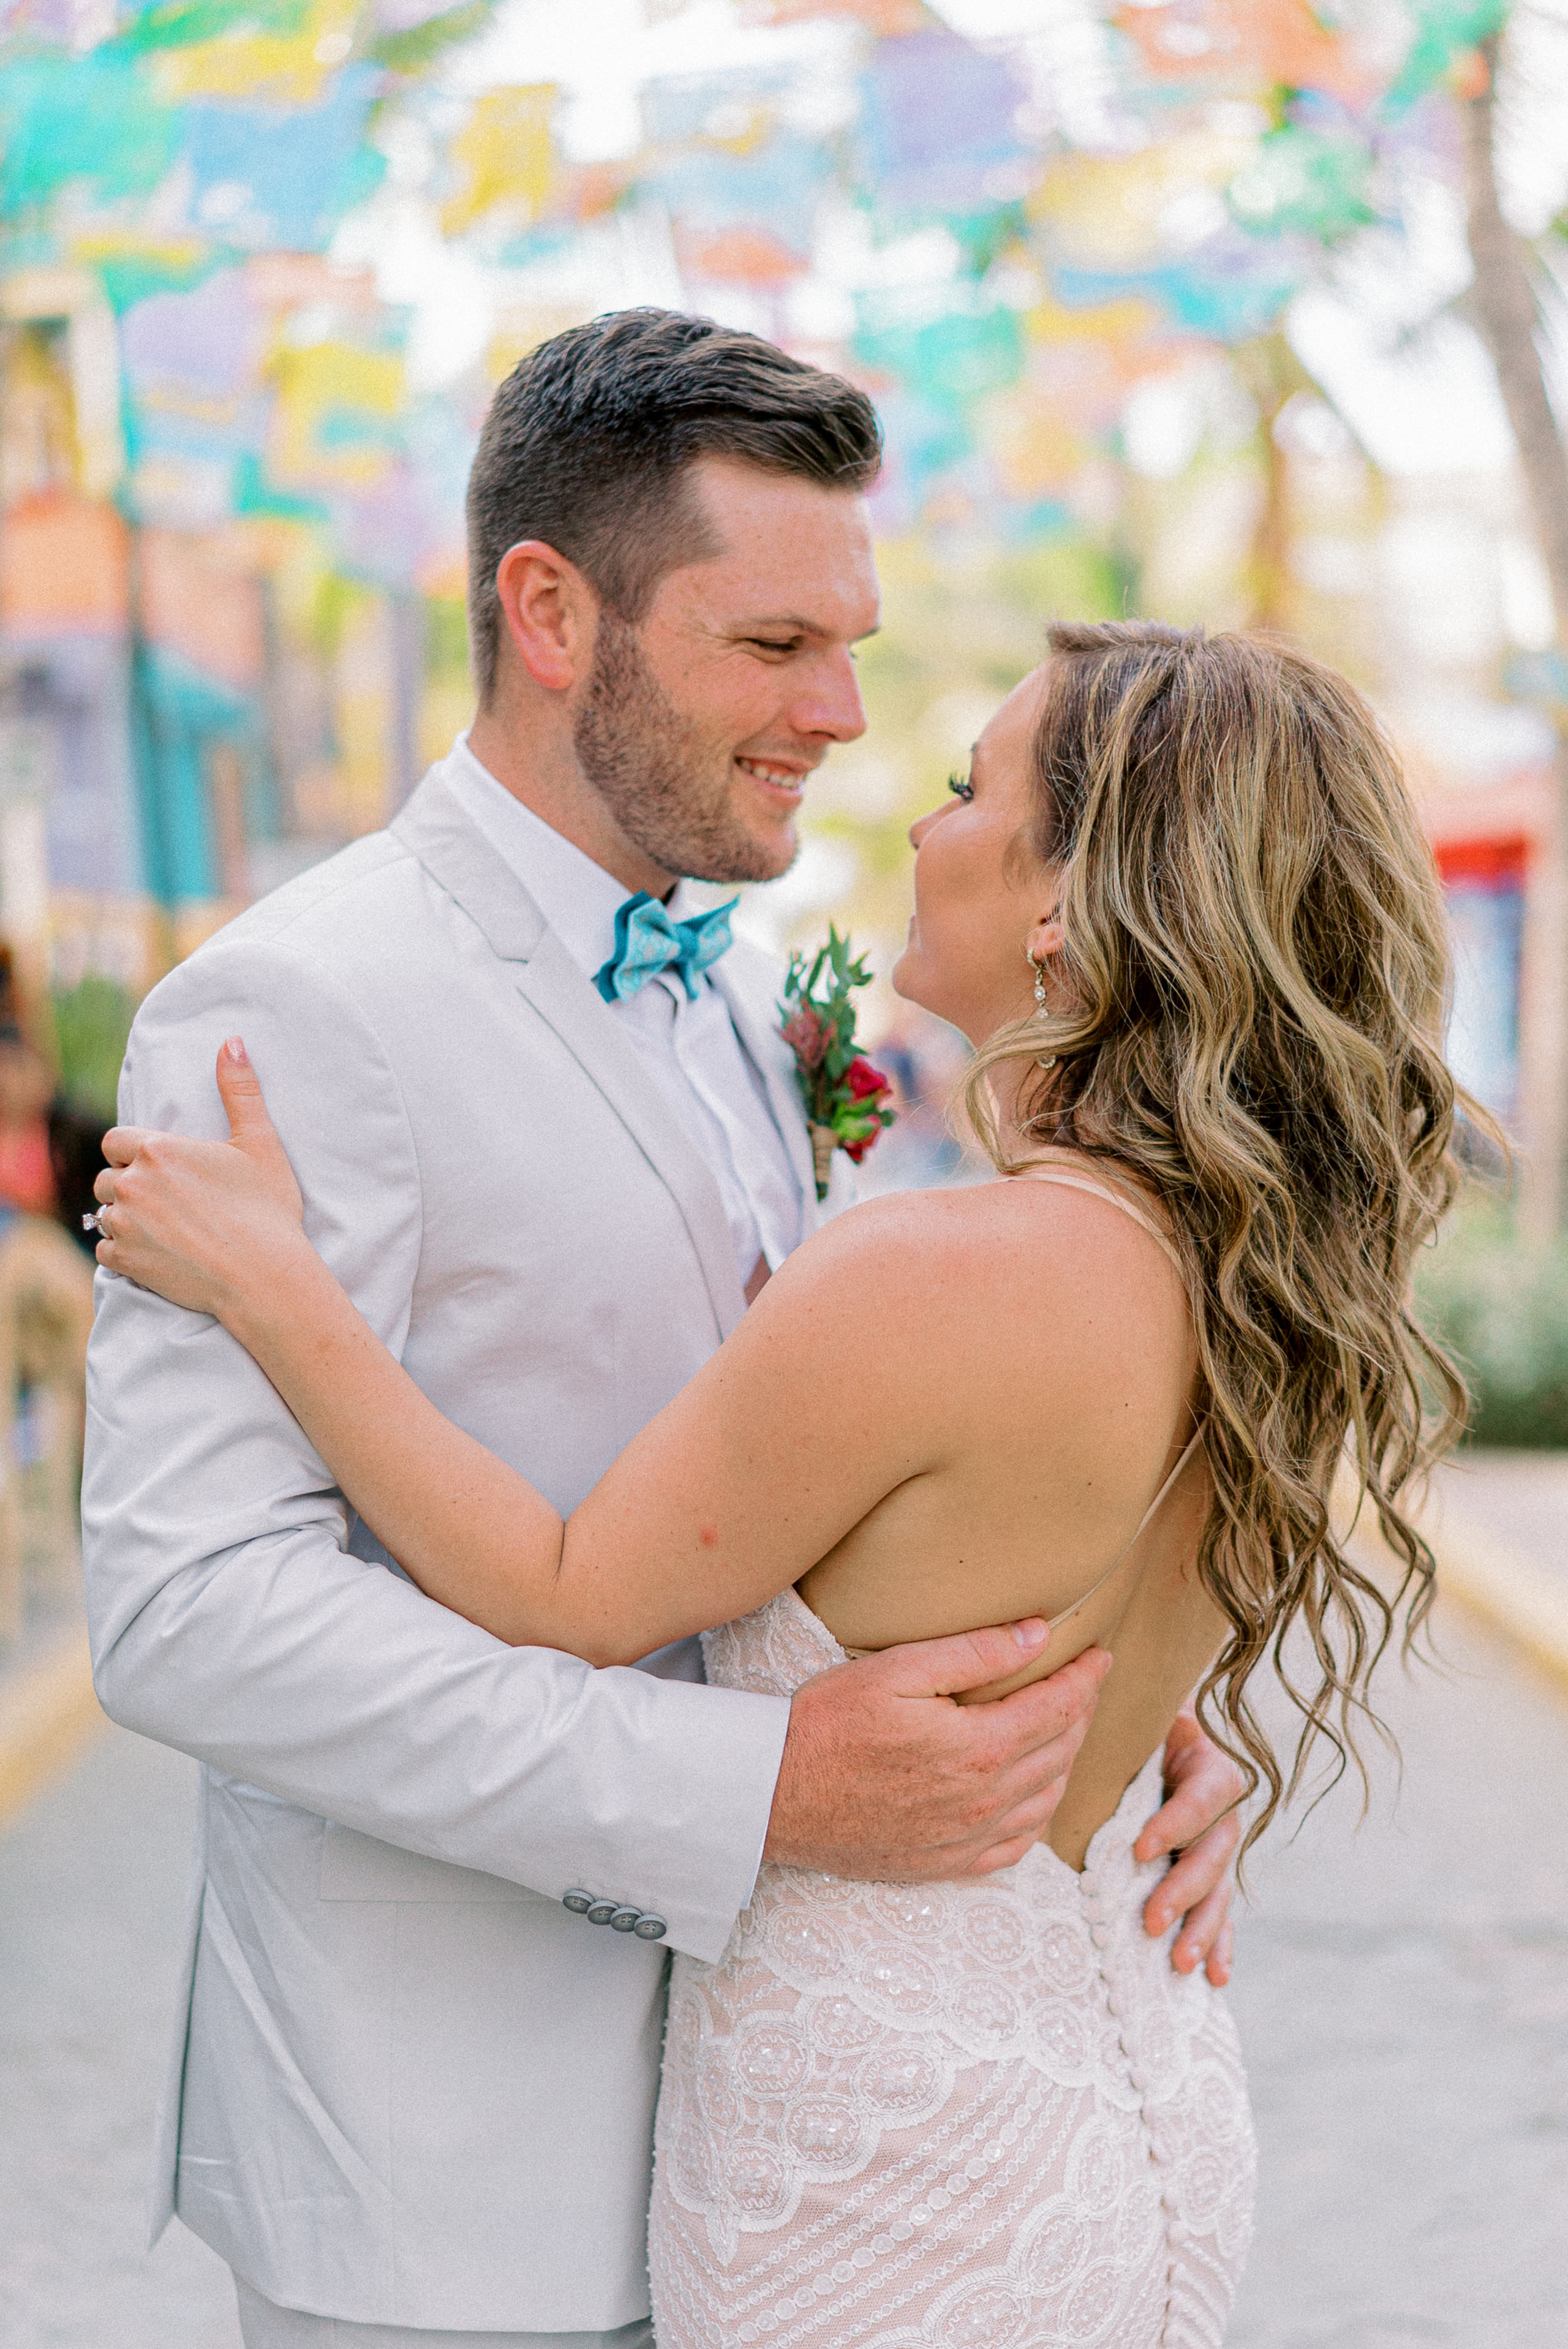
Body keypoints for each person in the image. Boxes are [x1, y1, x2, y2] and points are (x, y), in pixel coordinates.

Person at [90, 616, 1468, 2347]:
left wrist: (283, 1296)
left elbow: (566, 1589)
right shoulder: (1250, 1282)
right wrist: (1158, 1738)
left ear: (1067, 903)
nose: (915, 813)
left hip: (879, 2167)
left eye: (974, 787)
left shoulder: (933, 1277)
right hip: (1122, 2109)